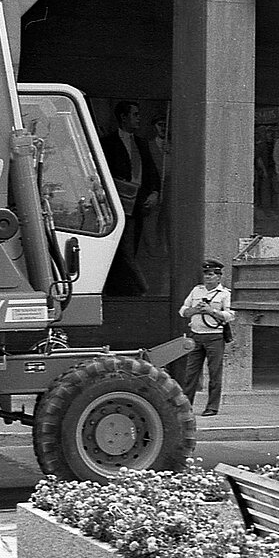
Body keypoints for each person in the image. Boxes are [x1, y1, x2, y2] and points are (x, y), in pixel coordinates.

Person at [105, 100, 161, 294]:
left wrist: (155, 193)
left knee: (133, 246)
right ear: (123, 117)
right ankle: (141, 287)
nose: (138, 119)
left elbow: (152, 172)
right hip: (120, 203)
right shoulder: (108, 143)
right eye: (135, 114)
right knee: (125, 249)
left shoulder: (141, 143)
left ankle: (127, 287)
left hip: (140, 204)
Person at [173, 259, 233, 416]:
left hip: (214, 337)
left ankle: (212, 407)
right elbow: (183, 310)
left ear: (219, 277)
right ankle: (186, 406)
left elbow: (230, 315)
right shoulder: (196, 291)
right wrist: (194, 310)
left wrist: (211, 311)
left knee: (214, 374)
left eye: (211, 274)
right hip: (197, 336)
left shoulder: (224, 294)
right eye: (206, 274)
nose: (208, 277)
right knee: (190, 374)